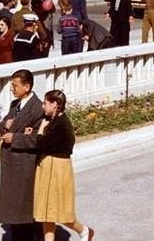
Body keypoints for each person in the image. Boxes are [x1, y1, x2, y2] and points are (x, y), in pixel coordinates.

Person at [30, 90, 94, 241]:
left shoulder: (61, 124)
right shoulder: (52, 120)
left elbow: (41, 144)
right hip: (48, 167)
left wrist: (39, 132)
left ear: (54, 104)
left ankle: (84, 231)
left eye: (45, 103)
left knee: (60, 210)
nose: (42, 106)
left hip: (57, 169)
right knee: (46, 213)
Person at [0, 69, 45, 240]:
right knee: (14, 210)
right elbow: (3, 124)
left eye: (15, 86)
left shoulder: (37, 108)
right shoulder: (15, 105)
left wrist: (15, 138)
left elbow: (39, 139)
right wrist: (5, 124)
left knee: (24, 210)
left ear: (27, 86)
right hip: (11, 165)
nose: (12, 89)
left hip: (24, 165)